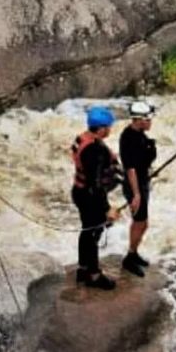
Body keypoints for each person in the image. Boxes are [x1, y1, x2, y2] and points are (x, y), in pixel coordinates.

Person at [71, 106, 122, 290]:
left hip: (79, 191)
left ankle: (83, 268)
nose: (110, 130)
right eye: (108, 127)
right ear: (101, 129)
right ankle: (93, 275)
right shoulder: (94, 149)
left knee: (87, 231)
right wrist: (107, 208)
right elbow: (96, 184)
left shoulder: (83, 138)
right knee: (93, 233)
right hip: (90, 195)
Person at [119, 100, 157, 277]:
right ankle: (129, 258)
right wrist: (136, 195)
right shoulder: (128, 138)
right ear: (138, 119)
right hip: (134, 185)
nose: (150, 122)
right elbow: (130, 169)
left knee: (143, 222)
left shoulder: (140, 133)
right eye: (147, 119)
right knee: (140, 221)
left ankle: (133, 253)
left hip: (142, 182)